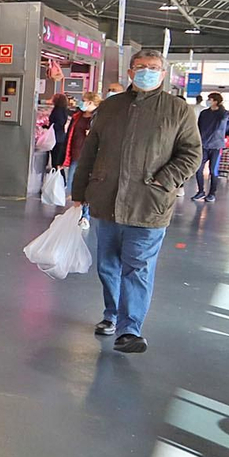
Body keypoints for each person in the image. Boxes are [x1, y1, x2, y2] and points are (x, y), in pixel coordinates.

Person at [70, 50, 201, 355]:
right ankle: (111, 315)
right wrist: (79, 192)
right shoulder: (111, 108)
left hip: (149, 204)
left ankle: (131, 329)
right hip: (107, 199)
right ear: (130, 73)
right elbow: (90, 151)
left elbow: (192, 153)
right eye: (141, 68)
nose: (147, 72)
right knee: (108, 265)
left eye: (154, 68)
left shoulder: (177, 110)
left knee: (138, 266)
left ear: (163, 74)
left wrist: (164, 180)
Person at [192, 92, 229, 202]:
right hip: (203, 145)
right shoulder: (204, 113)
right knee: (198, 168)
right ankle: (200, 191)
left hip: (216, 146)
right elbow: (198, 126)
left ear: (215, 101)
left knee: (213, 170)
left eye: (210, 99)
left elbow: (228, 127)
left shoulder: (224, 114)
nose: (208, 101)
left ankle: (212, 193)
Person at [46, 94, 71, 177]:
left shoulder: (58, 111)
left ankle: (59, 181)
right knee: (58, 162)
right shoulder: (63, 110)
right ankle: (60, 181)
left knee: (56, 163)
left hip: (56, 138)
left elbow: (58, 124)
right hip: (59, 138)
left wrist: (49, 127)